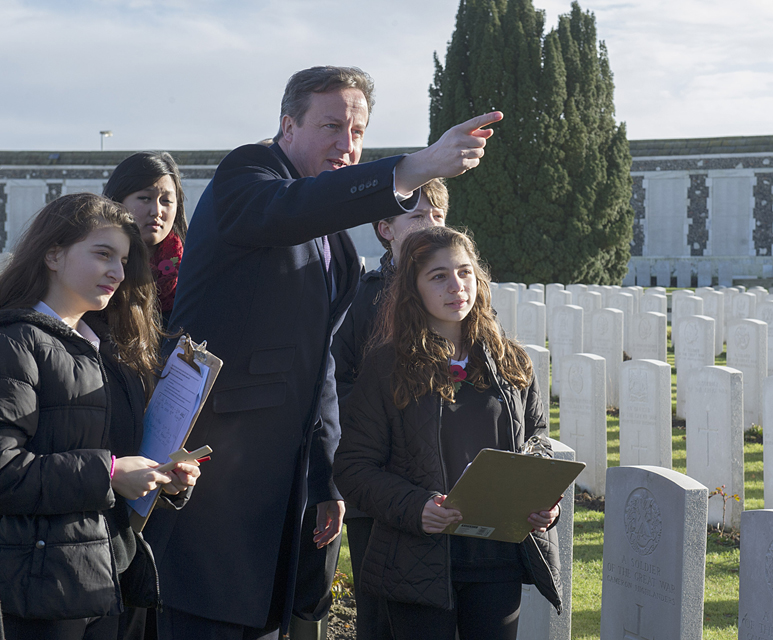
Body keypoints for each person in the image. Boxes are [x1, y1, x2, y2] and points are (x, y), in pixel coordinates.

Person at [143, 65, 502, 640]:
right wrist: (414, 169)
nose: (347, 144)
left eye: (358, 131)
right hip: (221, 464)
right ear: (287, 125)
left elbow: (323, 364)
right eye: (331, 125)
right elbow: (289, 208)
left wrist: (329, 479)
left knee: (271, 620)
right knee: (205, 618)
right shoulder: (247, 175)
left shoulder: (336, 233)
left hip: (289, 474)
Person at [333, 226, 562, 640]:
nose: (456, 286)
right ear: (413, 289)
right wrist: (415, 506)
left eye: (464, 272)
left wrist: (544, 504)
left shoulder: (511, 361)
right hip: (419, 560)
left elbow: (537, 442)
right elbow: (353, 468)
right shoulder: (386, 367)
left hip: (497, 560)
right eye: (438, 276)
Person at [0, 193, 199, 640]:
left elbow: (120, 457)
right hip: (40, 594)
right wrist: (109, 474)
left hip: (110, 576)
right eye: (103, 254)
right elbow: (4, 471)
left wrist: (160, 475)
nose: (118, 272)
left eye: (124, 259)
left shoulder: (106, 349)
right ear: (53, 254)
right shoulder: (15, 343)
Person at [331, 178, 447, 640]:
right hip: (379, 483)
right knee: (383, 620)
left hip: (445, 482)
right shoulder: (363, 295)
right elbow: (336, 382)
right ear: (385, 228)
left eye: (438, 215)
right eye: (417, 216)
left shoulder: (460, 294)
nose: (431, 225)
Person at [103, 151, 188, 330]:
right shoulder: (95, 270)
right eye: (145, 198)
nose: (156, 211)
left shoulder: (193, 273)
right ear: (117, 201)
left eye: (166, 200)